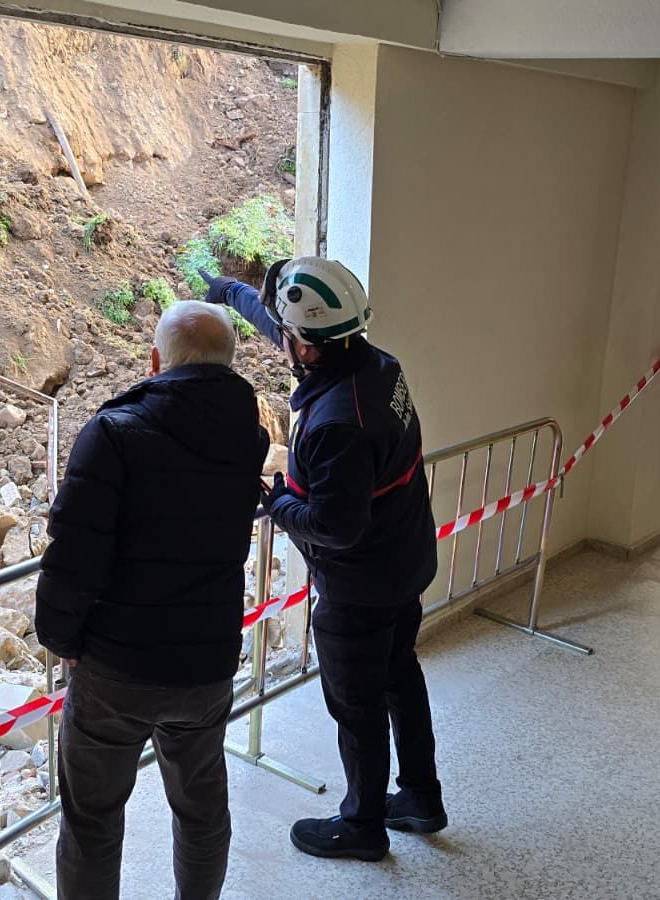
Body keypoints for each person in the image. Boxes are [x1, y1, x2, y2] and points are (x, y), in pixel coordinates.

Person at [203, 257, 446, 862]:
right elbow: (290, 329)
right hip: (405, 559)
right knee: (399, 676)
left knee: (357, 704)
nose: (283, 341)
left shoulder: (337, 423)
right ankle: (420, 795)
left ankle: (362, 825)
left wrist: (281, 500)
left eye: (288, 336)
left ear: (305, 346)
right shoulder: (375, 363)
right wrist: (233, 293)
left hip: (360, 585)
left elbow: (335, 526)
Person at [36, 300, 269, 900]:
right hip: (207, 661)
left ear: (154, 359)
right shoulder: (248, 434)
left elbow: (75, 556)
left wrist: (62, 639)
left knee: (91, 820)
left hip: (118, 666)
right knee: (201, 807)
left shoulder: (114, 432)